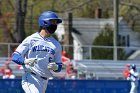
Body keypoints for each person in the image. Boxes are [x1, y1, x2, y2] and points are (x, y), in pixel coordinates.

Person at [11, 11, 63, 93]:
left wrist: (55, 67)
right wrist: (25, 61)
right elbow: (15, 56)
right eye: (53, 22)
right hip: (31, 77)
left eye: (56, 23)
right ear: (44, 22)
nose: (55, 25)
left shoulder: (56, 45)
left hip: (45, 80)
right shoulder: (31, 39)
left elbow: (59, 65)